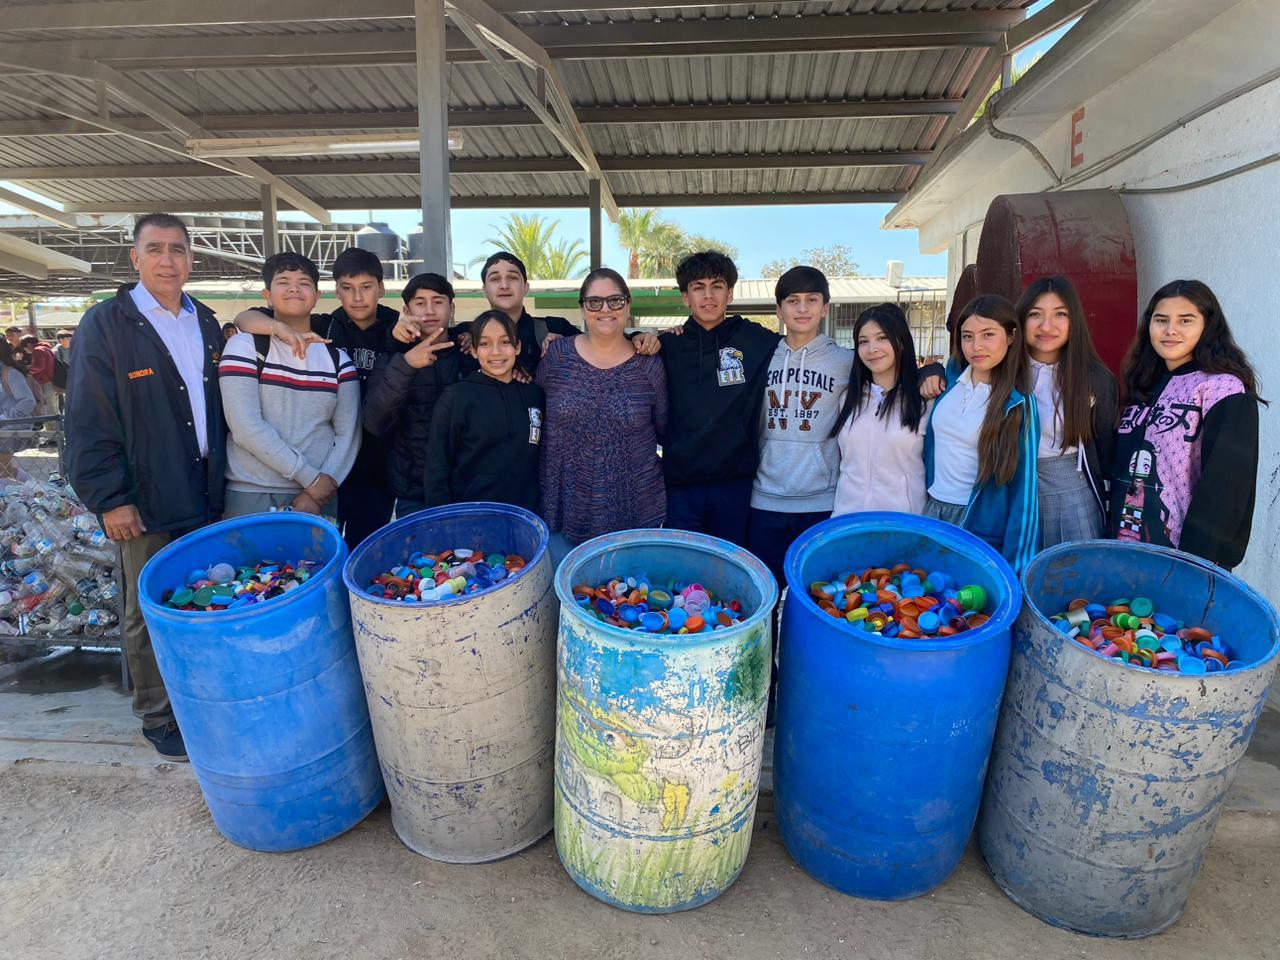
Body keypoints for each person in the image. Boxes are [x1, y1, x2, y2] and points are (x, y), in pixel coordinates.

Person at [65, 212, 228, 761]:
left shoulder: (205, 321)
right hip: (144, 492)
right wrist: (110, 498)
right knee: (147, 605)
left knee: (200, 593)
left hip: (202, 486)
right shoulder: (108, 324)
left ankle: (196, 700)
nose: (167, 260)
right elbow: (87, 418)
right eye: (155, 249)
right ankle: (158, 714)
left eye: (177, 249)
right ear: (135, 258)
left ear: (191, 259)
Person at [235, 247, 399, 548]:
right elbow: (244, 318)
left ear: (381, 288)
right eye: (347, 288)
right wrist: (277, 328)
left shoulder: (397, 328)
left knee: (366, 551)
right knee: (314, 553)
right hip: (323, 467)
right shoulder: (325, 326)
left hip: (376, 466)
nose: (357, 297)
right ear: (335, 292)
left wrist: (467, 335)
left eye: (366, 287)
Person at [1108, 280, 1262, 570]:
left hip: (1184, 559)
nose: (1170, 330)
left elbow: (1226, 487)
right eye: (1161, 320)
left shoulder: (1221, 388)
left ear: (1208, 326)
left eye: (1185, 320)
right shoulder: (1143, 385)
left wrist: (1197, 561)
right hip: (1122, 550)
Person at [537, 268, 668, 565]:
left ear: (628, 306)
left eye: (615, 301)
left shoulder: (649, 365)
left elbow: (664, 429)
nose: (605, 309)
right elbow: (533, 413)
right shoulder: (556, 357)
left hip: (634, 509)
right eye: (594, 302)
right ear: (583, 308)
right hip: (564, 509)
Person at [218, 252, 360, 518]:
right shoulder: (245, 347)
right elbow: (245, 426)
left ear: (317, 297)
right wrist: (309, 478)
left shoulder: (338, 361)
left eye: (304, 283)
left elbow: (348, 435)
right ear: (267, 295)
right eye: (283, 281)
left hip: (320, 497)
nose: (294, 288)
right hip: (252, 493)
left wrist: (319, 489)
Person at [659, 251, 780, 547]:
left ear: (730, 293)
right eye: (698, 287)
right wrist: (639, 335)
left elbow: (803, 345)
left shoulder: (755, 339)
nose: (708, 296)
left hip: (735, 486)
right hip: (680, 487)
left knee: (728, 568)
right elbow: (614, 345)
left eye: (717, 286)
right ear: (685, 297)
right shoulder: (667, 345)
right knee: (683, 568)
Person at [747, 266, 851, 582]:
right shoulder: (760, 356)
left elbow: (891, 369)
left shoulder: (846, 361)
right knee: (766, 589)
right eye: (793, 300)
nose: (802, 308)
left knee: (815, 591)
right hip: (765, 497)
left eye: (812, 299)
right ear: (779, 310)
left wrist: (929, 372)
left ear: (825, 307)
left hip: (820, 500)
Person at [923, 295, 1039, 573]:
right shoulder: (952, 380)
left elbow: (1024, 491)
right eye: (967, 336)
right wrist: (926, 372)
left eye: (988, 335)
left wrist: (1017, 567)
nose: (976, 346)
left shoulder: (1019, 402)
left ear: (1011, 336)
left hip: (978, 523)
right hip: (933, 512)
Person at [362, 273, 476, 519]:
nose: (430, 310)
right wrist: (407, 365)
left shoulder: (471, 354)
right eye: (420, 303)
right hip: (414, 493)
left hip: (468, 489)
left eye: (438, 302)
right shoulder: (391, 357)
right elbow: (374, 422)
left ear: (451, 308)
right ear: (406, 310)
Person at [1014, 277, 1118, 547]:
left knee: (1072, 570)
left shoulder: (1095, 379)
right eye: (1035, 314)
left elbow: (1106, 451)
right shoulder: (1003, 372)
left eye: (1060, 314)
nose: (1046, 326)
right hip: (1010, 490)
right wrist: (930, 373)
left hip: (1070, 492)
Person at [424, 310, 544, 511]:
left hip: (526, 517)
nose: (496, 352)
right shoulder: (457, 397)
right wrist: (445, 522)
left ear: (517, 347)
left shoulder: (535, 395)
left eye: (505, 342)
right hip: (471, 516)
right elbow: (437, 467)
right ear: (474, 350)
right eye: (485, 344)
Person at [831, 303, 929, 516]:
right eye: (863, 341)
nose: (872, 349)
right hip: (848, 520)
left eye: (882, 338)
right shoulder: (847, 398)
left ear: (900, 341)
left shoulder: (924, 401)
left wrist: (934, 370)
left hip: (902, 523)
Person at [0, 339, 36, 478]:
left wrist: (4, 417)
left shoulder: (10, 373)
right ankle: (32, 485)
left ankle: (32, 486)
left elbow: (28, 401)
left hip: (9, 429)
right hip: (5, 429)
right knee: (4, 470)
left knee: (3, 470)